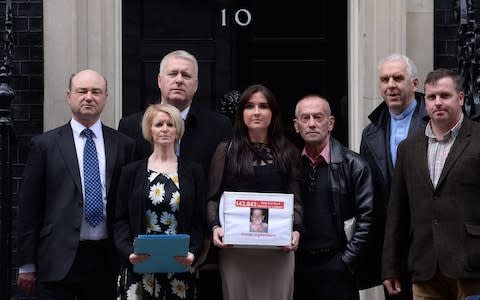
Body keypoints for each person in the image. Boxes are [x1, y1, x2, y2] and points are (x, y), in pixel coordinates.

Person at [118, 50, 232, 300]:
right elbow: (123, 200)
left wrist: (198, 249)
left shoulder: (219, 126)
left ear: (196, 84)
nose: (179, 79)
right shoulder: (129, 126)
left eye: (186, 75)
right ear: (159, 80)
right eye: (173, 74)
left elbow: (220, 185)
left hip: (194, 258)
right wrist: (127, 249)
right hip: (139, 261)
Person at [16, 69, 135, 299]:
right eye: (82, 91)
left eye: (96, 91)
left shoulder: (124, 145)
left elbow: (128, 203)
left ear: (106, 97)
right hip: (57, 257)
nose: (88, 97)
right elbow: (29, 208)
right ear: (69, 95)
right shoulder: (45, 145)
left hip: (106, 257)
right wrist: (26, 264)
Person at [382, 68, 480, 299]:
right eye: (431, 97)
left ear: (461, 98)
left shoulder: (477, 139)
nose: (437, 103)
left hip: (471, 265)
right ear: (424, 100)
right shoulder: (408, 148)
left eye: (445, 96)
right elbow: (397, 212)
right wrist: (390, 266)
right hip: (425, 267)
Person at [207, 84, 303, 300]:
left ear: (273, 113)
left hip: (278, 250)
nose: (257, 112)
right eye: (250, 106)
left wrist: (296, 230)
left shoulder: (289, 151)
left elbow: (296, 200)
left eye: (263, 106)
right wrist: (215, 227)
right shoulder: (226, 150)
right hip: (236, 250)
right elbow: (212, 197)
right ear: (241, 113)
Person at [114, 103, 206, 299]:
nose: (165, 129)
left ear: (178, 130)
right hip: (139, 265)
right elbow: (120, 218)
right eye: (159, 124)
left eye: (170, 124)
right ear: (149, 130)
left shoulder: (194, 171)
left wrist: (193, 253)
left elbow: (199, 219)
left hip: (180, 266)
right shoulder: (130, 172)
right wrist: (128, 252)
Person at [359, 53, 428, 296]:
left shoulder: (435, 122)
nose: (390, 85)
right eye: (384, 79)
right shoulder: (370, 133)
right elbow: (371, 198)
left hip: (431, 246)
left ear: (415, 84)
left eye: (398, 78)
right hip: (393, 249)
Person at [293, 95, 374, 300]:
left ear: (330, 123)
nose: (312, 123)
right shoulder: (290, 165)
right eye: (305, 118)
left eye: (318, 117)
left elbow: (368, 217)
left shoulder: (354, 165)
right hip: (297, 266)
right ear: (296, 126)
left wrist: (347, 260)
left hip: (338, 266)